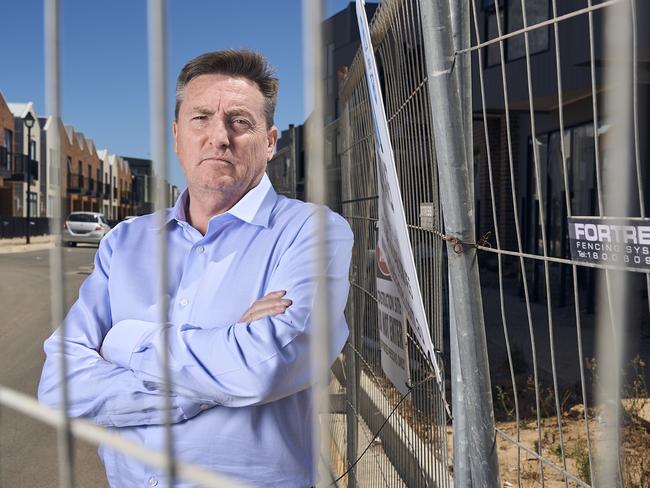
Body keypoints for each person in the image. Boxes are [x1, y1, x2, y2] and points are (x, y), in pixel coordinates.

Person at [38, 49, 353, 488]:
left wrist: (125, 342)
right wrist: (216, 380)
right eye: (200, 118)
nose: (218, 137)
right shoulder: (125, 242)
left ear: (269, 141)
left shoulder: (312, 233)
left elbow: (264, 368)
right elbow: (58, 387)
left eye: (240, 121)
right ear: (176, 135)